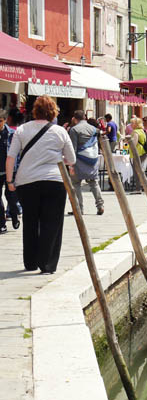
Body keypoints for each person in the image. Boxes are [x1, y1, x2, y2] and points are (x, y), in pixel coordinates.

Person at [5, 95, 75, 274]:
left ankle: (30, 262)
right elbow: (71, 159)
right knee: (52, 223)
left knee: (30, 221)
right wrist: (57, 157)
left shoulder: (21, 130)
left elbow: (11, 157)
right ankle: (47, 264)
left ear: (34, 111)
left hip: (27, 181)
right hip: (54, 181)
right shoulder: (60, 131)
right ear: (53, 112)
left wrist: (9, 180)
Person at [67, 110, 104, 216]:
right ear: (85, 117)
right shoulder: (94, 129)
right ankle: (100, 205)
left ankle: (79, 208)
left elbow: (72, 148)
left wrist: (71, 164)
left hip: (79, 160)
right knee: (94, 183)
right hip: (93, 159)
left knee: (76, 184)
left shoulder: (74, 130)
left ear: (74, 118)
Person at [0, 111, 21, 233]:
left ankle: (14, 214)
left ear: (5, 120)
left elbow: (18, 154)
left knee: (11, 197)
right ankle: (1, 224)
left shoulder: (12, 134)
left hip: (10, 171)